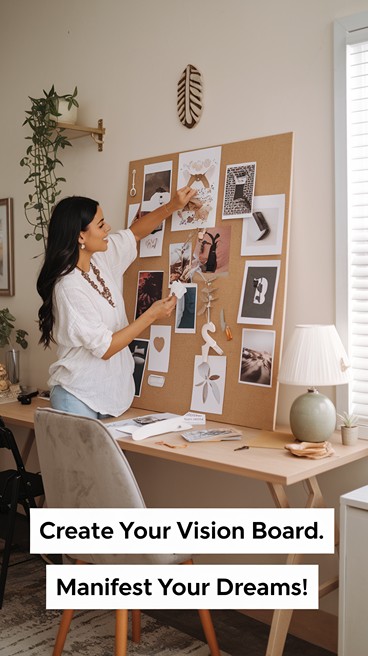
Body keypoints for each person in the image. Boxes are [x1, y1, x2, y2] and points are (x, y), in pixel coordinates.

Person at [37, 187, 195, 418]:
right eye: (100, 225)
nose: (108, 228)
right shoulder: (68, 287)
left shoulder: (101, 259)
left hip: (110, 397)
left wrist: (173, 206)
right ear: (81, 236)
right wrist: (151, 315)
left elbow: (135, 234)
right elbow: (106, 348)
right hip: (77, 397)